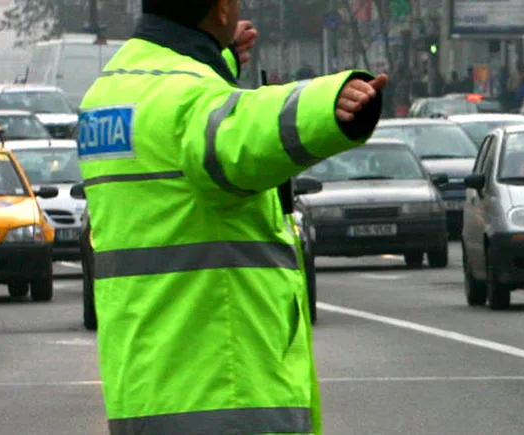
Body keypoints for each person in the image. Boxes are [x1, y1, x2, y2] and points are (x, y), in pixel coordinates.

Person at [75, 0, 388, 434]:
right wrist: (331, 103)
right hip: (223, 392)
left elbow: (179, 119)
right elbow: (242, 130)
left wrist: (214, 53)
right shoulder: (191, 100)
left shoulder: (108, 93)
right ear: (221, 9)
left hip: (145, 389)